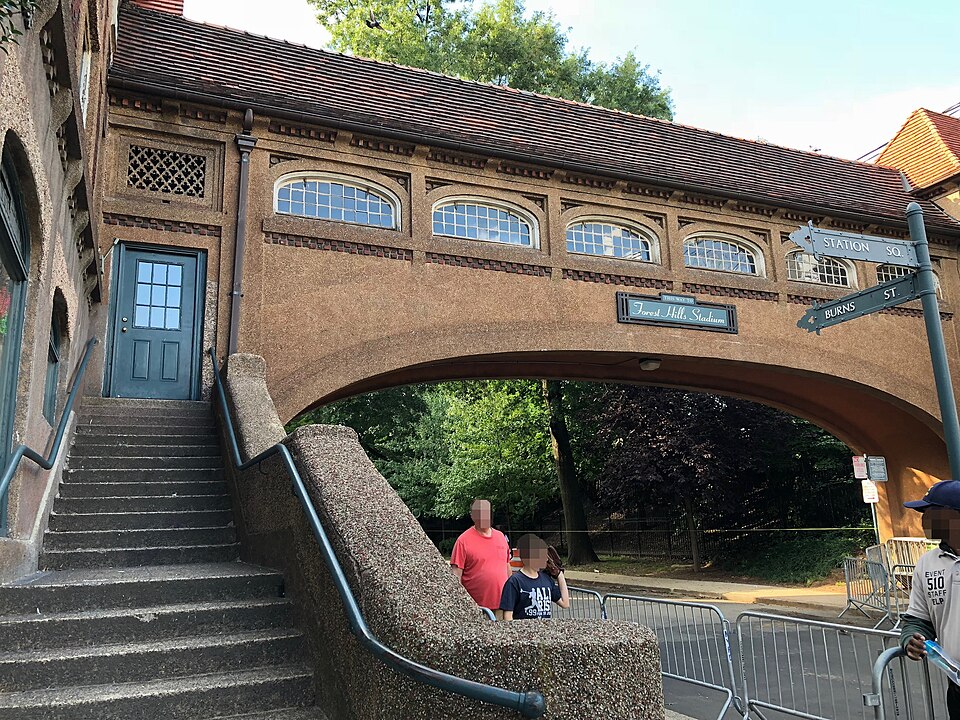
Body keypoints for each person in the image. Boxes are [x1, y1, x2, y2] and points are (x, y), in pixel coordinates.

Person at [900, 479, 960, 719]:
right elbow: (918, 619)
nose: (923, 520)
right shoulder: (927, 563)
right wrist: (910, 639)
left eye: (930, 513)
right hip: (957, 687)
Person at [450, 499, 511, 616]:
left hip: (503, 607)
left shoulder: (500, 537)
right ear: (472, 516)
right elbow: (456, 576)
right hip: (477, 609)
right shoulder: (463, 541)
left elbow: (507, 566)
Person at [499, 533, 570, 621]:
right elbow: (508, 615)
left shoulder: (546, 579)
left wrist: (560, 575)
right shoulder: (514, 582)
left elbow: (565, 603)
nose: (547, 559)